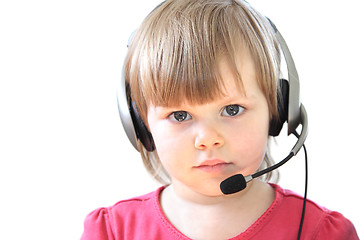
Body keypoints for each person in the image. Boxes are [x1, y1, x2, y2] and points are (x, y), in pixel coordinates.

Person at [81, 0, 358, 239]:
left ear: (277, 111)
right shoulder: (112, 232)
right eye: (180, 115)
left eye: (232, 109)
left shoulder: (321, 233)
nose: (208, 138)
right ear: (140, 125)